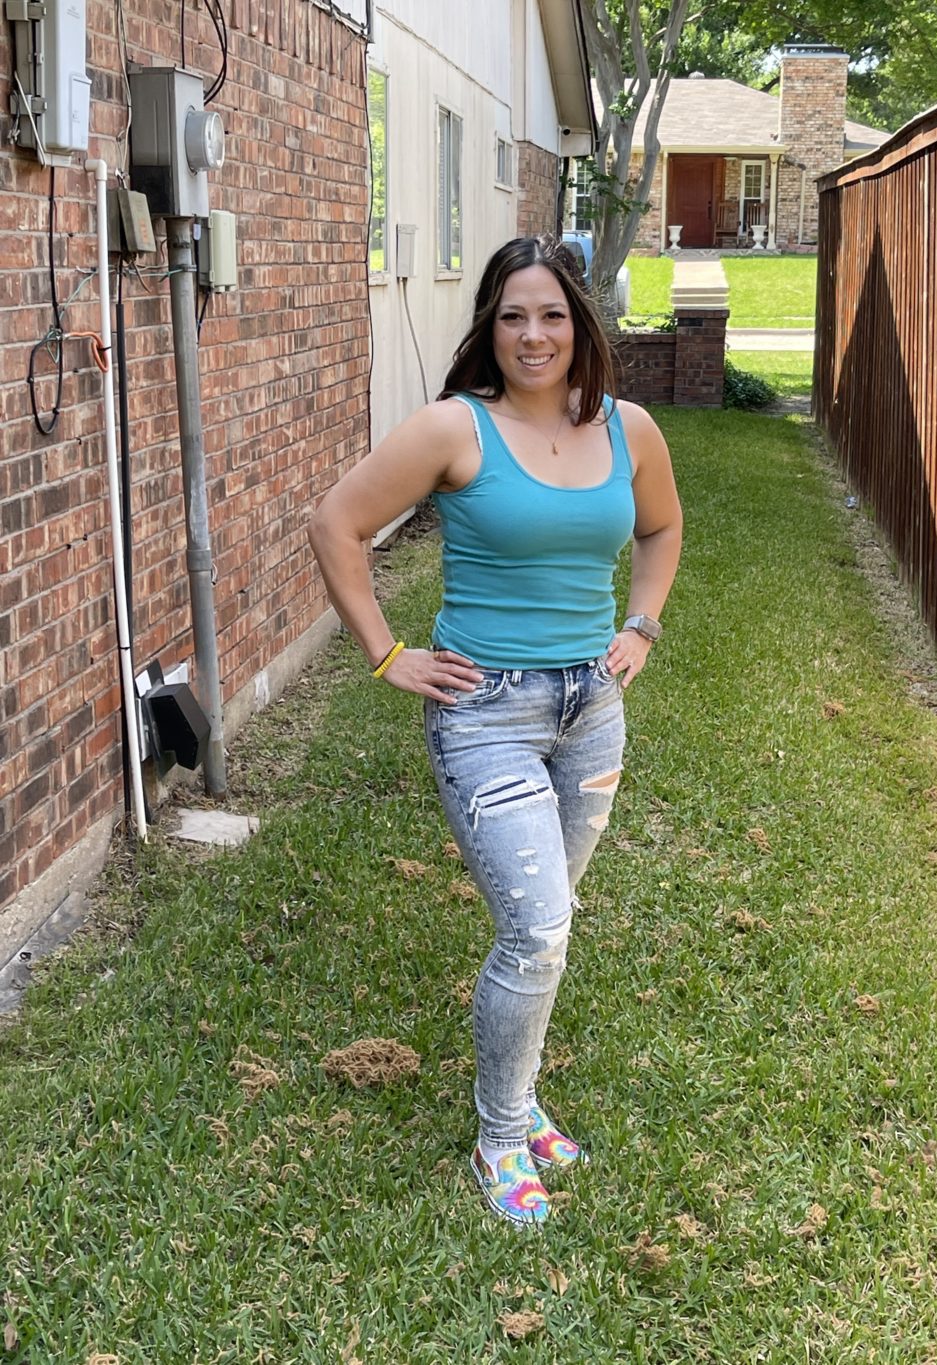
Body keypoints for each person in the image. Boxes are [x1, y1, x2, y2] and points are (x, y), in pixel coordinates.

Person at [308, 235, 682, 1226]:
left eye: (552, 314)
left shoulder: (628, 429)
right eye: (513, 315)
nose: (533, 334)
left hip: (591, 711)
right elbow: (335, 523)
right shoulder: (455, 428)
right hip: (486, 713)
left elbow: (660, 527)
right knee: (539, 927)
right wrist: (388, 654)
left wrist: (640, 624)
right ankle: (502, 1135)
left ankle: (518, 1094)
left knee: (545, 929)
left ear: (580, 324)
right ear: (490, 326)